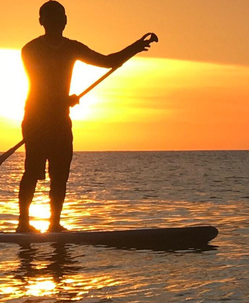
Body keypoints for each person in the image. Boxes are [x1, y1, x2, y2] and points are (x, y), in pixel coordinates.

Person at [17, 1, 155, 233]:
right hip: (36, 121)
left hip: (61, 121)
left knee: (60, 175)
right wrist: (64, 100)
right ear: (42, 21)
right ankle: (23, 224)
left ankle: (54, 225)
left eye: (60, 17)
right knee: (32, 172)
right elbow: (39, 86)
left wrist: (135, 47)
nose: (57, 22)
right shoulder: (30, 50)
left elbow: (108, 61)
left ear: (66, 20)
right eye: (51, 17)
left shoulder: (72, 47)